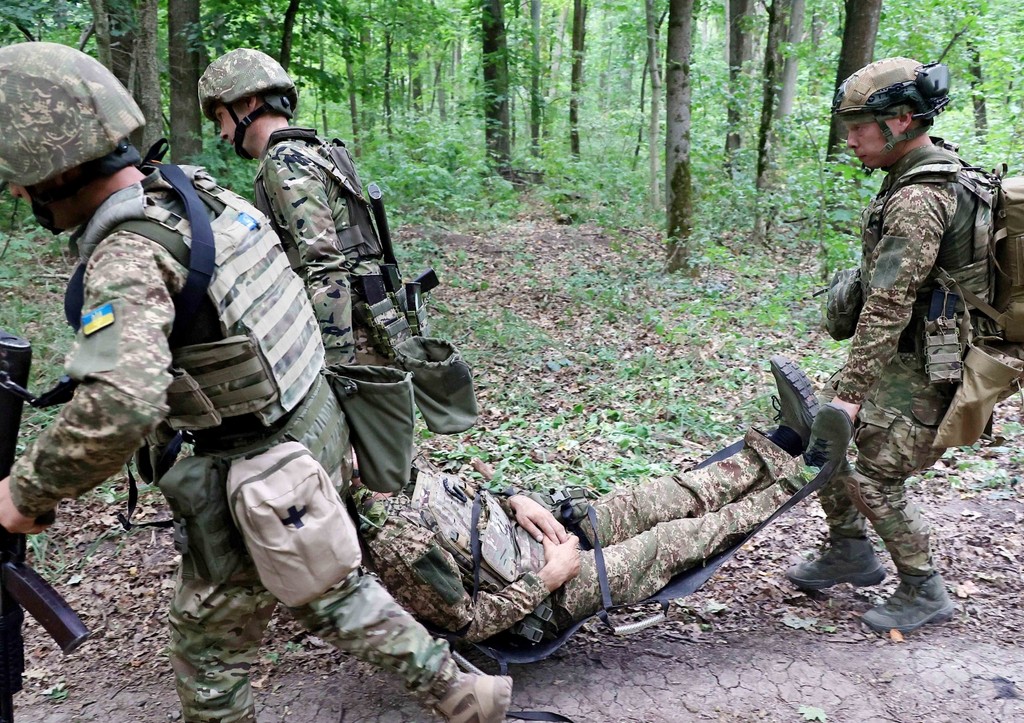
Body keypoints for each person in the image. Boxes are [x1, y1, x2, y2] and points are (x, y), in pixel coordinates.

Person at [0, 42, 511, 723]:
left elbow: (120, 402)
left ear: (49, 168)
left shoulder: (129, 253)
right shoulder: (193, 193)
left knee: (210, 652)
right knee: (329, 589)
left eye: (18, 177)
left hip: (257, 469)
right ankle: (462, 692)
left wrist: (24, 490)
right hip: (309, 434)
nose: (13, 191)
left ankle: (458, 692)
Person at [352, 356, 827, 642]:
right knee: (679, 538)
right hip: (548, 593)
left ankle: (786, 439)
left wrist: (514, 494)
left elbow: (467, 498)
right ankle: (803, 476)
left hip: (543, 532)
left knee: (661, 496)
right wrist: (550, 575)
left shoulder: (401, 473)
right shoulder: (396, 541)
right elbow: (467, 624)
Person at [787, 57, 981, 633]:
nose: (849, 139)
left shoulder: (921, 197)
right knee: (825, 439)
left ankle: (924, 589)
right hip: (907, 352)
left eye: (857, 127)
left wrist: (851, 393)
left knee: (873, 470)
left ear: (900, 121)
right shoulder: (911, 177)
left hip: (930, 363)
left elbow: (890, 305)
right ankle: (849, 549)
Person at [198, 48, 410, 367]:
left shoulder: (284, 161)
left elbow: (324, 262)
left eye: (220, 117)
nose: (224, 133)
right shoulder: (318, 150)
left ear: (248, 102)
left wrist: (338, 366)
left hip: (352, 338)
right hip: (375, 320)